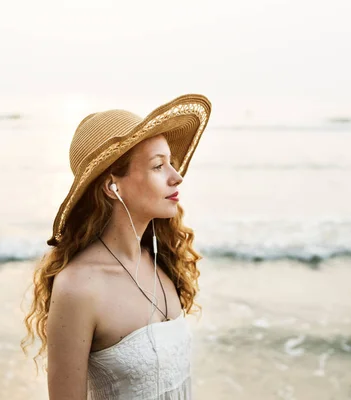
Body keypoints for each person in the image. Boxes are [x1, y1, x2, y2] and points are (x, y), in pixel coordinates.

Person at [21, 94, 212, 399]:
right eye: (158, 166)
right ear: (113, 186)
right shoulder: (79, 287)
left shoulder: (162, 263)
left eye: (171, 164)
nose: (176, 177)